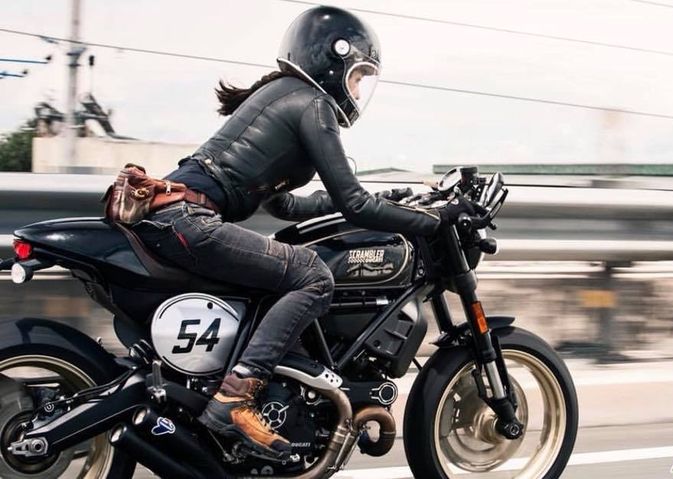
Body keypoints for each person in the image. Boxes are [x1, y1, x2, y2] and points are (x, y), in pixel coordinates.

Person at [132, 5, 476, 460]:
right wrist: (437, 219)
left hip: (178, 220)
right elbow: (356, 204)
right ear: (333, 61)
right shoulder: (312, 104)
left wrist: (387, 198)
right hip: (188, 223)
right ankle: (236, 396)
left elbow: (287, 204)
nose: (357, 88)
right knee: (314, 276)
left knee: (285, 268)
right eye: (357, 75)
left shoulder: (285, 95)